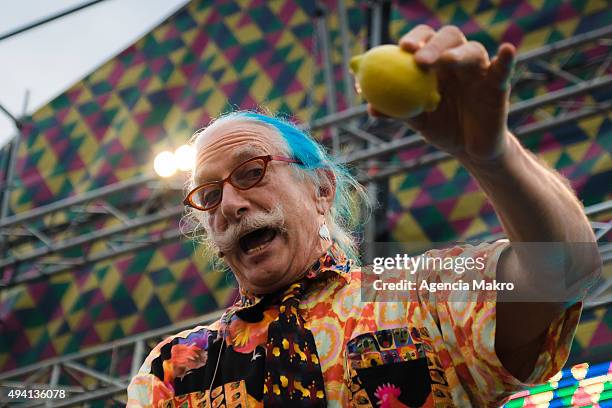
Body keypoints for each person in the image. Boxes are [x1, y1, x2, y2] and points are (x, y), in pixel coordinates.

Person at [126, 25, 600, 407]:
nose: (230, 204)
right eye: (209, 195)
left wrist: (493, 155)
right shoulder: (172, 370)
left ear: (321, 189)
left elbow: (567, 269)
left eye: (252, 171)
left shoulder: (414, 291)